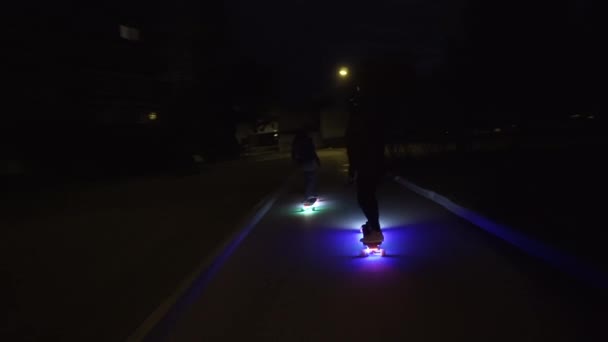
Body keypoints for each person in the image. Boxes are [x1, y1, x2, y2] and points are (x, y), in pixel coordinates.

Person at [291, 130, 321, 204]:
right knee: (312, 179)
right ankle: (308, 196)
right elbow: (312, 151)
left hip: (303, 162)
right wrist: (317, 160)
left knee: (308, 179)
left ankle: (311, 195)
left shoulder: (296, 141)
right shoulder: (307, 140)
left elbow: (294, 153)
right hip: (309, 161)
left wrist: (297, 161)